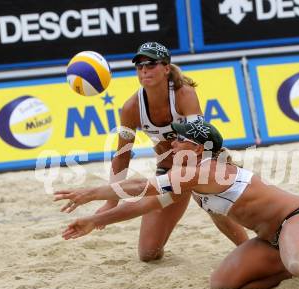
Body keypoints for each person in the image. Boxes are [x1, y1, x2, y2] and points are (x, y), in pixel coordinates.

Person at [54, 120, 299, 289]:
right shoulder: (190, 180)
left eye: (179, 139)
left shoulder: (206, 169)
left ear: (197, 148)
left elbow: (141, 186)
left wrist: (90, 193)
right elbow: (146, 205)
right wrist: (96, 220)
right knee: (222, 283)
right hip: (269, 239)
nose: (172, 142)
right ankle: (292, 272)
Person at [98, 41, 248, 261]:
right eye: (139, 66)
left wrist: (190, 181)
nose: (144, 69)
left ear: (166, 68)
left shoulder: (183, 94)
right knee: (148, 254)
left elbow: (199, 140)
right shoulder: (132, 108)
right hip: (167, 173)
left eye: (151, 64)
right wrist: (111, 201)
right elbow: (122, 156)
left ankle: (250, 248)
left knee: (213, 205)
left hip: (199, 165)